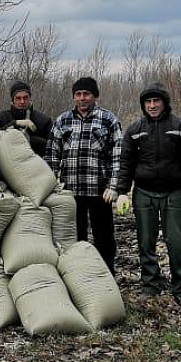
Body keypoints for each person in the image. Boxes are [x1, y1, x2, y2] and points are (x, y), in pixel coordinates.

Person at [114, 82, 181, 305]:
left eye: (156, 101)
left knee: (177, 242)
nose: (152, 105)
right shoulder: (135, 130)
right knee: (146, 242)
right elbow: (126, 162)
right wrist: (122, 192)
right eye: (148, 102)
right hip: (143, 193)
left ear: (165, 102)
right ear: (143, 105)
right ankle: (150, 285)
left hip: (173, 193)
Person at [46, 76, 123, 271]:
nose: (82, 98)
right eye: (78, 94)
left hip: (100, 191)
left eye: (86, 94)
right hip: (70, 191)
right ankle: (78, 275)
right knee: (74, 237)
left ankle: (107, 274)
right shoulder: (62, 120)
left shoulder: (109, 120)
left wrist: (114, 186)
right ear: (74, 97)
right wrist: (51, 186)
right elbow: (52, 156)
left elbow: (118, 155)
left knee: (104, 237)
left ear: (95, 96)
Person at [0, 80, 52, 156]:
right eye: (18, 98)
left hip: (36, 164)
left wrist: (31, 140)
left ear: (30, 98)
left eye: (25, 97)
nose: (22, 101)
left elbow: (53, 147)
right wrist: (15, 123)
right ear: (13, 100)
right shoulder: (1, 118)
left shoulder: (44, 121)